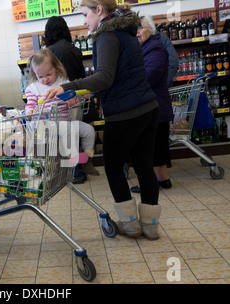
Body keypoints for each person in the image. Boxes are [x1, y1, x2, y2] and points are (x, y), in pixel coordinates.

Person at [44, 0, 162, 240]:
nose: (84, 21)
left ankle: (130, 225)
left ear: (99, 10)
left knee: (112, 166)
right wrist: (79, 92)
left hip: (124, 112)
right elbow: (117, 76)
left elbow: (105, 78)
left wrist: (69, 87)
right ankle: (150, 226)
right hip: (147, 108)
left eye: (86, 14)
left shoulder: (106, 35)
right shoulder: (127, 32)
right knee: (143, 166)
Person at [24, 48, 99, 178]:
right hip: (48, 124)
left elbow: (74, 98)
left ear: (56, 68)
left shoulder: (64, 84)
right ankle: (70, 166)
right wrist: (29, 111)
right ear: (35, 74)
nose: (45, 79)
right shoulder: (33, 88)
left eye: (49, 74)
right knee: (69, 132)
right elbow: (30, 104)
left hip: (65, 121)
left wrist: (73, 99)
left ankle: (87, 161)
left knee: (89, 130)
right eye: (40, 76)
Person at [44, 16, 99, 181]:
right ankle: (82, 165)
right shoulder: (74, 49)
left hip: (61, 99)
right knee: (80, 132)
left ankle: (72, 171)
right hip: (78, 97)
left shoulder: (49, 53)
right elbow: (82, 75)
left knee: (67, 136)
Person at [131, 15, 174, 194]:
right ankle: (163, 178)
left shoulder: (154, 47)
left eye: (140, 28)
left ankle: (149, 183)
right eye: (135, 30)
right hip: (158, 105)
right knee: (160, 144)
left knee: (152, 146)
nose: (137, 33)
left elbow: (152, 74)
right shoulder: (148, 47)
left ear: (151, 29)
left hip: (155, 105)